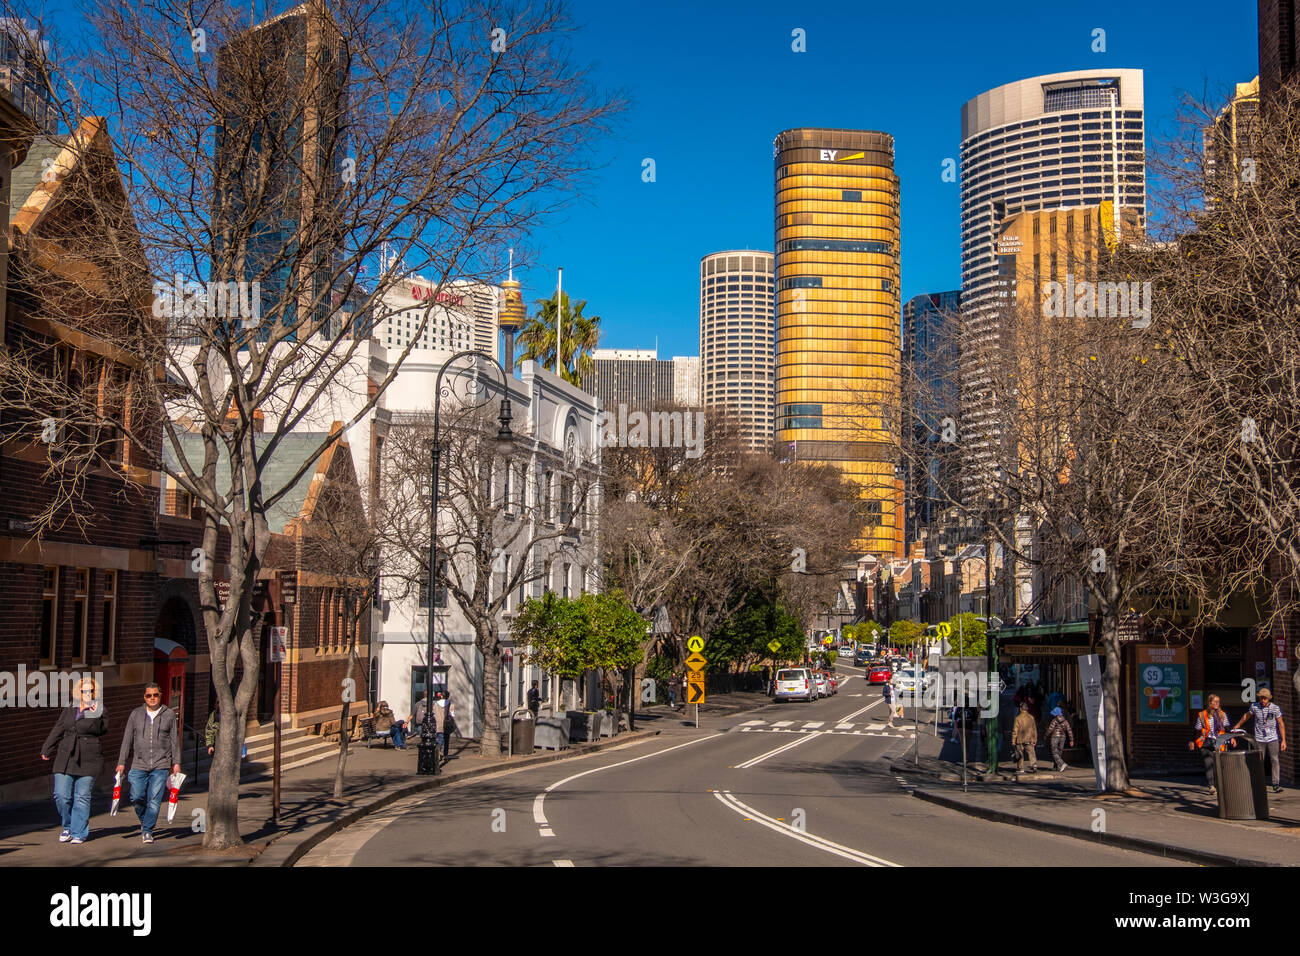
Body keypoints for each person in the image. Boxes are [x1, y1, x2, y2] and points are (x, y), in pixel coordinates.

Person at [40, 677, 108, 845]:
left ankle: (79, 832)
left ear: (94, 692)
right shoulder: (70, 707)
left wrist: (95, 713)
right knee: (61, 795)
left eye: (90, 691)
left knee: (81, 796)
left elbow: (102, 730)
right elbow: (59, 727)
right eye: (84, 690)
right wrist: (47, 747)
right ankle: (68, 826)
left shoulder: (99, 708)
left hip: (89, 757)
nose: (87, 693)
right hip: (66, 755)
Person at [116, 683, 181, 843]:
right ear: (144, 697)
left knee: (154, 799)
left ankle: (147, 830)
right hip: (138, 764)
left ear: (160, 695)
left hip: (161, 764)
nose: (152, 698)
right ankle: (146, 821)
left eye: (155, 695)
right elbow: (127, 739)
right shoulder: (136, 714)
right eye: (148, 695)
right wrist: (121, 762)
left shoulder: (169, 715)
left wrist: (176, 762)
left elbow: (174, 740)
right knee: (136, 796)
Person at [1233, 688, 1286, 793]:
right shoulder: (1255, 706)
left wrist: (1283, 740)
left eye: (1265, 698)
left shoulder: (1275, 708)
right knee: (1259, 760)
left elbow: (1281, 724)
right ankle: (1259, 783)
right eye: (1261, 698)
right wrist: (1238, 725)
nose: (1262, 700)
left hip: (1272, 738)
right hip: (1259, 738)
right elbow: (1246, 716)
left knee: (1274, 760)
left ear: (1269, 698)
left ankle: (1276, 784)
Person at [1189, 693, 1235, 795]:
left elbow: (1227, 728)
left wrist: (1232, 738)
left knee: (1218, 764)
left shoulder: (1222, 714)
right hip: (1206, 742)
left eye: (1218, 701)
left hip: (1219, 742)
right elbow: (1196, 729)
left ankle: (1219, 785)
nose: (1217, 703)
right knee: (1208, 764)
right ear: (1210, 703)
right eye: (1215, 701)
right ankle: (1211, 786)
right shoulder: (1202, 714)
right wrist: (1192, 741)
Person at [1046, 706, 1074, 772]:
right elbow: (1069, 730)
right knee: (1059, 751)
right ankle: (1057, 766)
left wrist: (1045, 736)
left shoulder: (1054, 720)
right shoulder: (1065, 721)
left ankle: (1061, 764)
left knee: (1054, 751)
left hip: (1055, 736)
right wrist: (1071, 740)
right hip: (1063, 737)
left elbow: (1050, 729)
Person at [1011, 702, 1038, 773]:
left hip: (1020, 739)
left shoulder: (1017, 718)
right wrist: (1035, 739)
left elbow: (1015, 730)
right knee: (1031, 753)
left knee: (1020, 754)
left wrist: (1013, 740)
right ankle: (1034, 765)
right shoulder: (1031, 717)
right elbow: (1034, 729)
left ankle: (1021, 768)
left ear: (1020, 709)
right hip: (1029, 739)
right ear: (1027, 709)